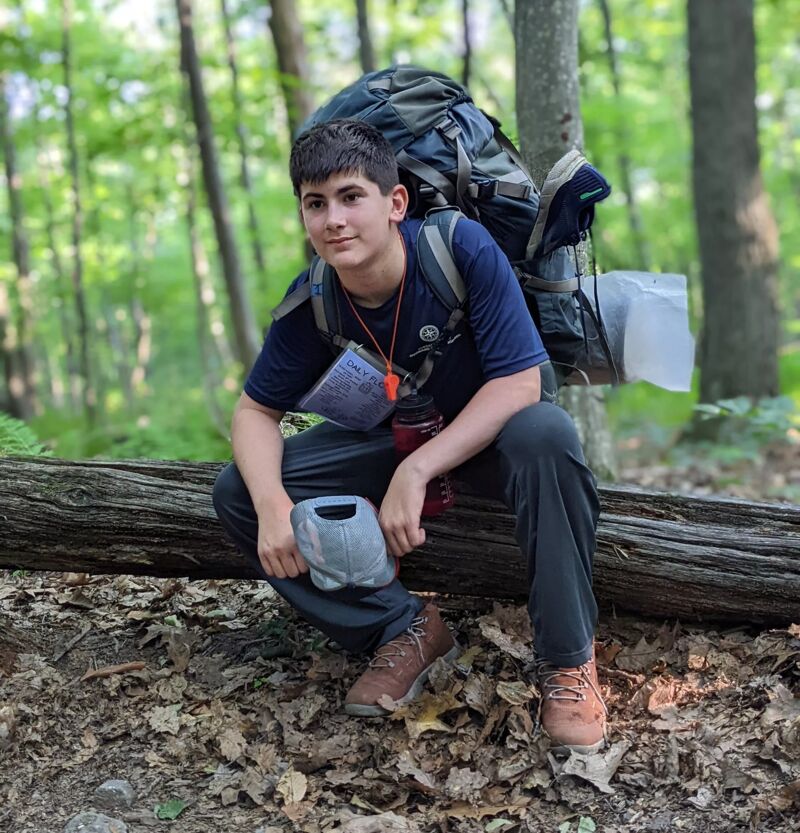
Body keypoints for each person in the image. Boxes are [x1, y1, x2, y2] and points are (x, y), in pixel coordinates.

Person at [213, 119, 606, 752]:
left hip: (493, 443)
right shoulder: (314, 297)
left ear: (395, 203)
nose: (333, 219)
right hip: (396, 439)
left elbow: (519, 385)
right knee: (238, 490)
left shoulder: (457, 249)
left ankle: (567, 661)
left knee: (547, 433)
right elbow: (254, 413)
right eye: (315, 204)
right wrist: (271, 507)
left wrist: (416, 471)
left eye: (350, 196)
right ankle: (401, 627)